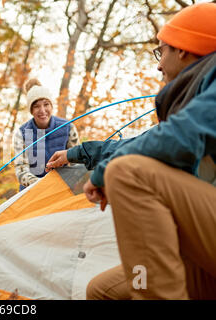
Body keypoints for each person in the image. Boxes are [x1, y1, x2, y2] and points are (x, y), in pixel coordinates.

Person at [46, 2, 216, 299]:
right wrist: (77, 154)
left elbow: (176, 138)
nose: (158, 64)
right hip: (203, 249)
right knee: (102, 291)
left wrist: (104, 173)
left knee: (127, 172)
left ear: (184, 49)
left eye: (161, 51)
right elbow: (141, 143)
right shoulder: (195, 103)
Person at [14, 78, 80, 191]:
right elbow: (21, 170)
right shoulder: (22, 133)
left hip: (63, 187)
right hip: (32, 190)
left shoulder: (68, 127)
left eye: (46, 104)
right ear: (31, 110)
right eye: (36, 106)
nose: (42, 110)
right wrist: (40, 185)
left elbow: (77, 161)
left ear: (51, 106)